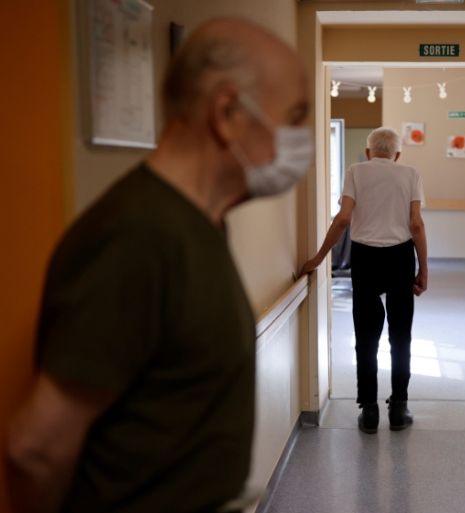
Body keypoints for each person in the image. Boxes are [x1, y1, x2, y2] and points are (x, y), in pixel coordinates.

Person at [4, 18, 311, 513]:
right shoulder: (137, 235)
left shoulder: (199, 223)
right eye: (293, 117)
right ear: (228, 113)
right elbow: (35, 449)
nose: (300, 140)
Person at [300, 127, 428, 434]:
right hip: (400, 258)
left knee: (366, 337)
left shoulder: (355, 172)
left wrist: (318, 258)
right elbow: (416, 224)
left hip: (365, 258)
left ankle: (369, 411)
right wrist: (423, 268)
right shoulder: (410, 174)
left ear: (369, 152)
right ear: (397, 154)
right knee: (400, 336)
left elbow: (343, 219)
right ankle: (398, 409)